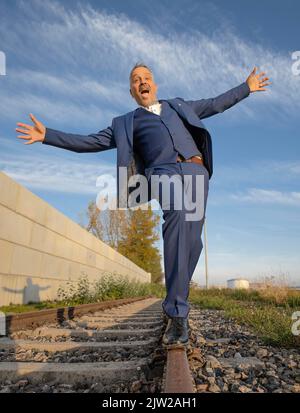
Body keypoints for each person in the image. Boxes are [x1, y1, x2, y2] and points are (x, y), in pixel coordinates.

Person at [16, 63, 270, 347]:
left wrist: (246, 88)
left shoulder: (179, 106)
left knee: (193, 241)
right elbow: (89, 141)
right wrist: (47, 135)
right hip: (162, 173)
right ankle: (176, 314)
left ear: (155, 84)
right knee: (176, 216)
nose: (142, 82)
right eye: (136, 80)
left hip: (196, 172)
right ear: (132, 91)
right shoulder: (126, 123)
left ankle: (176, 298)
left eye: (146, 78)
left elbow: (215, 104)